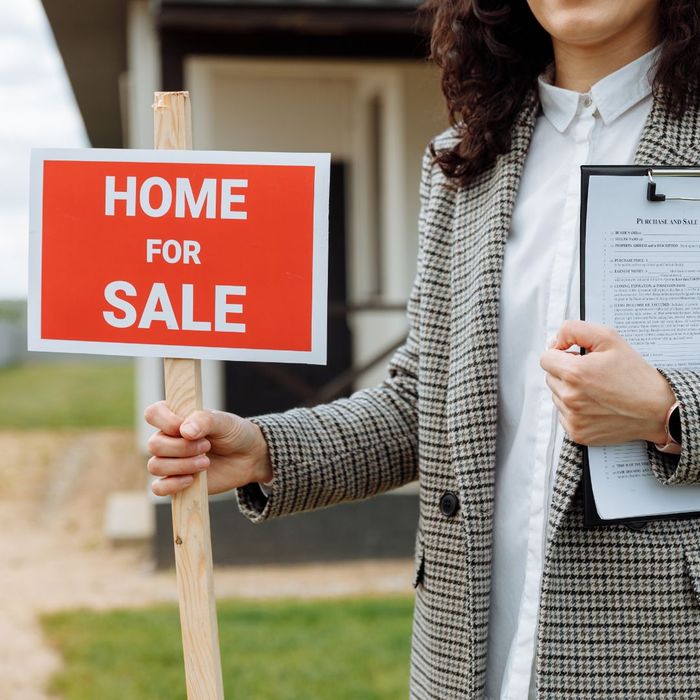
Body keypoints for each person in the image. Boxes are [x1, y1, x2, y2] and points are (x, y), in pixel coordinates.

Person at [144, 1, 700, 697]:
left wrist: (669, 412)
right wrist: (265, 449)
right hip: (467, 653)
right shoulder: (463, 160)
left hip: (668, 653)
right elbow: (425, 401)